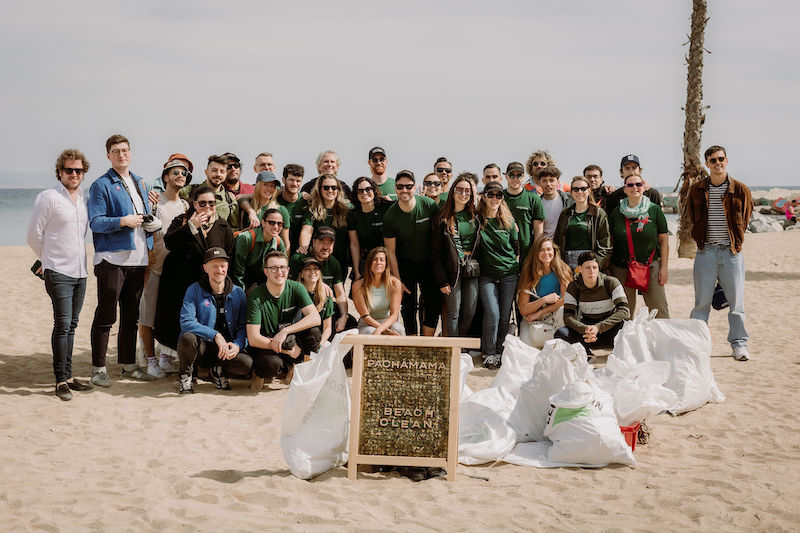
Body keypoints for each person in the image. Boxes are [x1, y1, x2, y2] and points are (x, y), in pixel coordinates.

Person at [88, 134, 156, 386]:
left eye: (125, 150)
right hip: (111, 260)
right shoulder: (100, 185)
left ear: (130, 152)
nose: (121, 155)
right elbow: (95, 222)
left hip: (138, 261)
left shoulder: (140, 182)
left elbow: (146, 217)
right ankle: (98, 369)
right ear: (108, 156)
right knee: (106, 316)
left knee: (131, 316)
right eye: (115, 151)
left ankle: (128, 366)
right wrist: (122, 221)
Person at [27, 148, 93, 400]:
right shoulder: (49, 197)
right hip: (58, 271)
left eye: (78, 170)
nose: (74, 174)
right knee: (62, 325)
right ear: (60, 171)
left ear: (83, 172)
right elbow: (34, 234)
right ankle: (59, 381)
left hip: (80, 271)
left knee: (72, 325)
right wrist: (45, 261)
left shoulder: (85, 199)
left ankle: (69, 376)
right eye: (69, 170)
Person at [688, 145, 753, 361]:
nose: (718, 163)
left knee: (736, 304)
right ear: (706, 164)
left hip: (731, 253)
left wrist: (735, 241)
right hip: (705, 252)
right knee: (701, 304)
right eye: (713, 160)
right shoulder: (696, 189)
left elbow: (745, 217)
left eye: (721, 159)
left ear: (727, 160)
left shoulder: (741, 189)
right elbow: (692, 217)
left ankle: (739, 344)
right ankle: (698, 345)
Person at [154, 184, 234, 352]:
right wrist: (191, 226)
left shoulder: (223, 226)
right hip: (179, 280)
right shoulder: (182, 219)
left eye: (211, 203)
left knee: (205, 321)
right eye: (202, 203)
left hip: (206, 282)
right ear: (194, 203)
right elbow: (169, 242)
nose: (207, 207)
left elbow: (228, 254)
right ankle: (169, 355)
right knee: (174, 322)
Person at [139, 157, 190, 378]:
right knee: (147, 316)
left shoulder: (186, 205)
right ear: (166, 176)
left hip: (176, 270)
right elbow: (143, 234)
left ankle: (165, 357)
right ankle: (150, 360)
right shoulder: (154, 203)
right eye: (176, 173)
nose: (180, 176)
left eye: (184, 174)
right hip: (155, 267)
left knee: (170, 314)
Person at [176, 247, 252, 394]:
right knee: (187, 338)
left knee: (246, 364)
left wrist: (237, 344)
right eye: (214, 266)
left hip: (224, 350)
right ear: (205, 268)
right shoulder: (194, 290)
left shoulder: (238, 292)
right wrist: (215, 335)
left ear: (227, 267)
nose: (219, 270)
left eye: (222, 266)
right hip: (202, 347)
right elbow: (186, 321)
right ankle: (186, 375)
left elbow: (244, 327)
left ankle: (218, 370)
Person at [246, 251, 322, 391]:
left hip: (289, 338)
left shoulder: (296, 287)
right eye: (273, 268)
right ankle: (262, 373)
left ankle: (303, 373)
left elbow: (315, 318)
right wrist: (286, 350)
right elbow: (253, 338)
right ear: (266, 272)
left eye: (282, 267)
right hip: (266, 344)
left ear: (288, 270)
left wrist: (286, 330)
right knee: (271, 365)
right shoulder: (256, 295)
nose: (279, 272)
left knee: (314, 332)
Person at [383, 170, 441, 336]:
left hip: (428, 262)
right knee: (408, 305)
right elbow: (390, 252)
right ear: (395, 189)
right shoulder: (390, 216)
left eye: (408, 186)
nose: (404, 190)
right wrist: (397, 281)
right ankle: (412, 340)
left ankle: (427, 340)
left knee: (432, 302)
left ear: (415, 187)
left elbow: (441, 234)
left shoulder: (428, 205)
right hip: (404, 263)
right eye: (400, 187)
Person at [608, 173, 670, 319]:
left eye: (638, 184)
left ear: (643, 188)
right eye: (630, 185)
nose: (634, 187)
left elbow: (664, 240)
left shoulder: (654, 210)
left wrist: (664, 268)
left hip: (651, 266)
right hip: (621, 267)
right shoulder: (616, 212)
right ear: (624, 189)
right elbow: (610, 241)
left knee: (659, 310)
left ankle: (661, 341)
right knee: (624, 312)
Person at [476, 181, 520, 369]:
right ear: (484, 196)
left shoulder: (509, 222)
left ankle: (502, 351)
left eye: (498, 195)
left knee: (504, 315)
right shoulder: (476, 220)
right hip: (486, 275)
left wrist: (511, 267)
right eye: (490, 195)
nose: (494, 198)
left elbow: (516, 249)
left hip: (509, 274)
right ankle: (489, 352)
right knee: (492, 314)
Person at [431, 175, 482, 337]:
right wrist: (442, 280)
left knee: (470, 312)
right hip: (452, 270)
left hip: (472, 268)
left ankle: (457, 342)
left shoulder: (476, 217)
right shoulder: (442, 219)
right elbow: (435, 253)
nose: (463, 194)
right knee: (454, 312)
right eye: (459, 190)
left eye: (467, 191)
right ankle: (454, 348)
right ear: (452, 192)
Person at [555, 251, 630, 355]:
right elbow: (568, 317)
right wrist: (585, 329)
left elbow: (625, 311)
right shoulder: (573, 287)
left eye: (594, 267)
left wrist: (598, 328)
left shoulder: (611, 282)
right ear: (579, 269)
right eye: (587, 268)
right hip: (587, 333)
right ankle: (586, 356)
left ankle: (620, 357)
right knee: (561, 333)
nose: (592, 271)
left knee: (629, 328)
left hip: (610, 329)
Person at [289, 226, 355, 337]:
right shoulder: (299, 258)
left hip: (324, 307)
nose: (326, 247)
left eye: (329, 243)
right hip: (302, 307)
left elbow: (340, 294)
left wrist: (344, 315)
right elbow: (288, 286)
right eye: (322, 242)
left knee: (351, 324)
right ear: (313, 242)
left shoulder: (334, 263)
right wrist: (317, 284)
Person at [517, 236, 573, 348]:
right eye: (541, 250)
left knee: (562, 311)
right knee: (526, 346)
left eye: (549, 249)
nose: (546, 253)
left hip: (556, 315)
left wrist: (541, 312)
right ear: (536, 253)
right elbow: (523, 309)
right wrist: (544, 300)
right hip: (534, 319)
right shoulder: (529, 272)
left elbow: (565, 299)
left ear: (554, 251)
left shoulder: (563, 269)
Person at [553, 175, 612, 271]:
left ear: (589, 191)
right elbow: (557, 240)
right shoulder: (565, 213)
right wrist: (559, 263)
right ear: (571, 192)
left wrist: (595, 264)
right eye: (576, 189)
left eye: (583, 189)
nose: (579, 192)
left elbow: (605, 244)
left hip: (589, 260)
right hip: (566, 262)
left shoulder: (598, 213)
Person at [298, 174, 351, 271]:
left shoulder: (347, 208)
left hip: (340, 259)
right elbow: (306, 231)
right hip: (318, 258)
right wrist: (304, 247)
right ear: (319, 189)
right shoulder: (312, 209)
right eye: (326, 188)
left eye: (334, 187)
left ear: (338, 190)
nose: (330, 191)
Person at [231, 207, 287, 292]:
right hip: (240, 279)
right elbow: (237, 271)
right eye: (271, 223)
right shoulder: (246, 238)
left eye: (279, 224)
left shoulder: (279, 242)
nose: (276, 227)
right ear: (263, 223)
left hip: (261, 280)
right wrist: (242, 293)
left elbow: (284, 268)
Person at [352, 247, 405, 335]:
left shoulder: (395, 283)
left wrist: (381, 329)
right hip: (367, 325)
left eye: (382, 260)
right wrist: (385, 331)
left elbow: (394, 315)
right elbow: (366, 317)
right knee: (370, 331)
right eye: (375, 260)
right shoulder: (358, 285)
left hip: (388, 323)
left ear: (386, 264)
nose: (378, 262)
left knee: (398, 328)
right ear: (369, 263)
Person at [180, 155, 241, 230]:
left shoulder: (230, 199)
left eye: (222, 171)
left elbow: (234, 228)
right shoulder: (189, 191)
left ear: (226, 174)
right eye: (214, 170)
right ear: (206, 172)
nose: (218, 174)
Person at [348, 176, 392, 279]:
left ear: (374, 190)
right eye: (360, 190)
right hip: (366, 260)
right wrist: (356, 270)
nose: (364, 193)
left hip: (387, 259)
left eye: (368, 189)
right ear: (356, 193)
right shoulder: (353, 214)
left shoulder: (386, 207)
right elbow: (354, 244)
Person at [503, 161, 545, 261]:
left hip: (527, 254)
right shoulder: (499, 198)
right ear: (506, 177)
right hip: (504, 253)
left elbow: (538, 232)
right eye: (512, 175)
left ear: (523, 177)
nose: (515, 179)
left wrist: (535, 255)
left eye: (519, 175)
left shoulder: (533, 198)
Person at [240, 170, 290, 245]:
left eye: (272, 185)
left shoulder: (281, 210)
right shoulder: (247, 208)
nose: (269, 189)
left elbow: (286, 243)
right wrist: (251, 212)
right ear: (258, 186)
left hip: (272, 254)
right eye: (265, 184)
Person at [297, 257, 334, 345]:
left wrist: (320, 343)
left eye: (315, 269)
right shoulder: (295, 293)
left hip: (316, 339)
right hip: (297, 337)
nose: (312, 272)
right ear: (301, 274)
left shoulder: (326, 297)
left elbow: (328, 328)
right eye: (307, 269)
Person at [277, 164, 307, 255]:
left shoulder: (306, 202)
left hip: (299, 252)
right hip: (278, 251)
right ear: (283, 180)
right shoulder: (274, 199)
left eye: (298, 181)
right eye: (291, 180)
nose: (295, 184)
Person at [538, 166, 573, 238]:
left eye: (551, 180)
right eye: (544, 181)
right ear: (540, 183)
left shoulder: (570, 200)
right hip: (545, 246)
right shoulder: (536, 203)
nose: (548, 184)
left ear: (558, 182)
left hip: (564, 246)